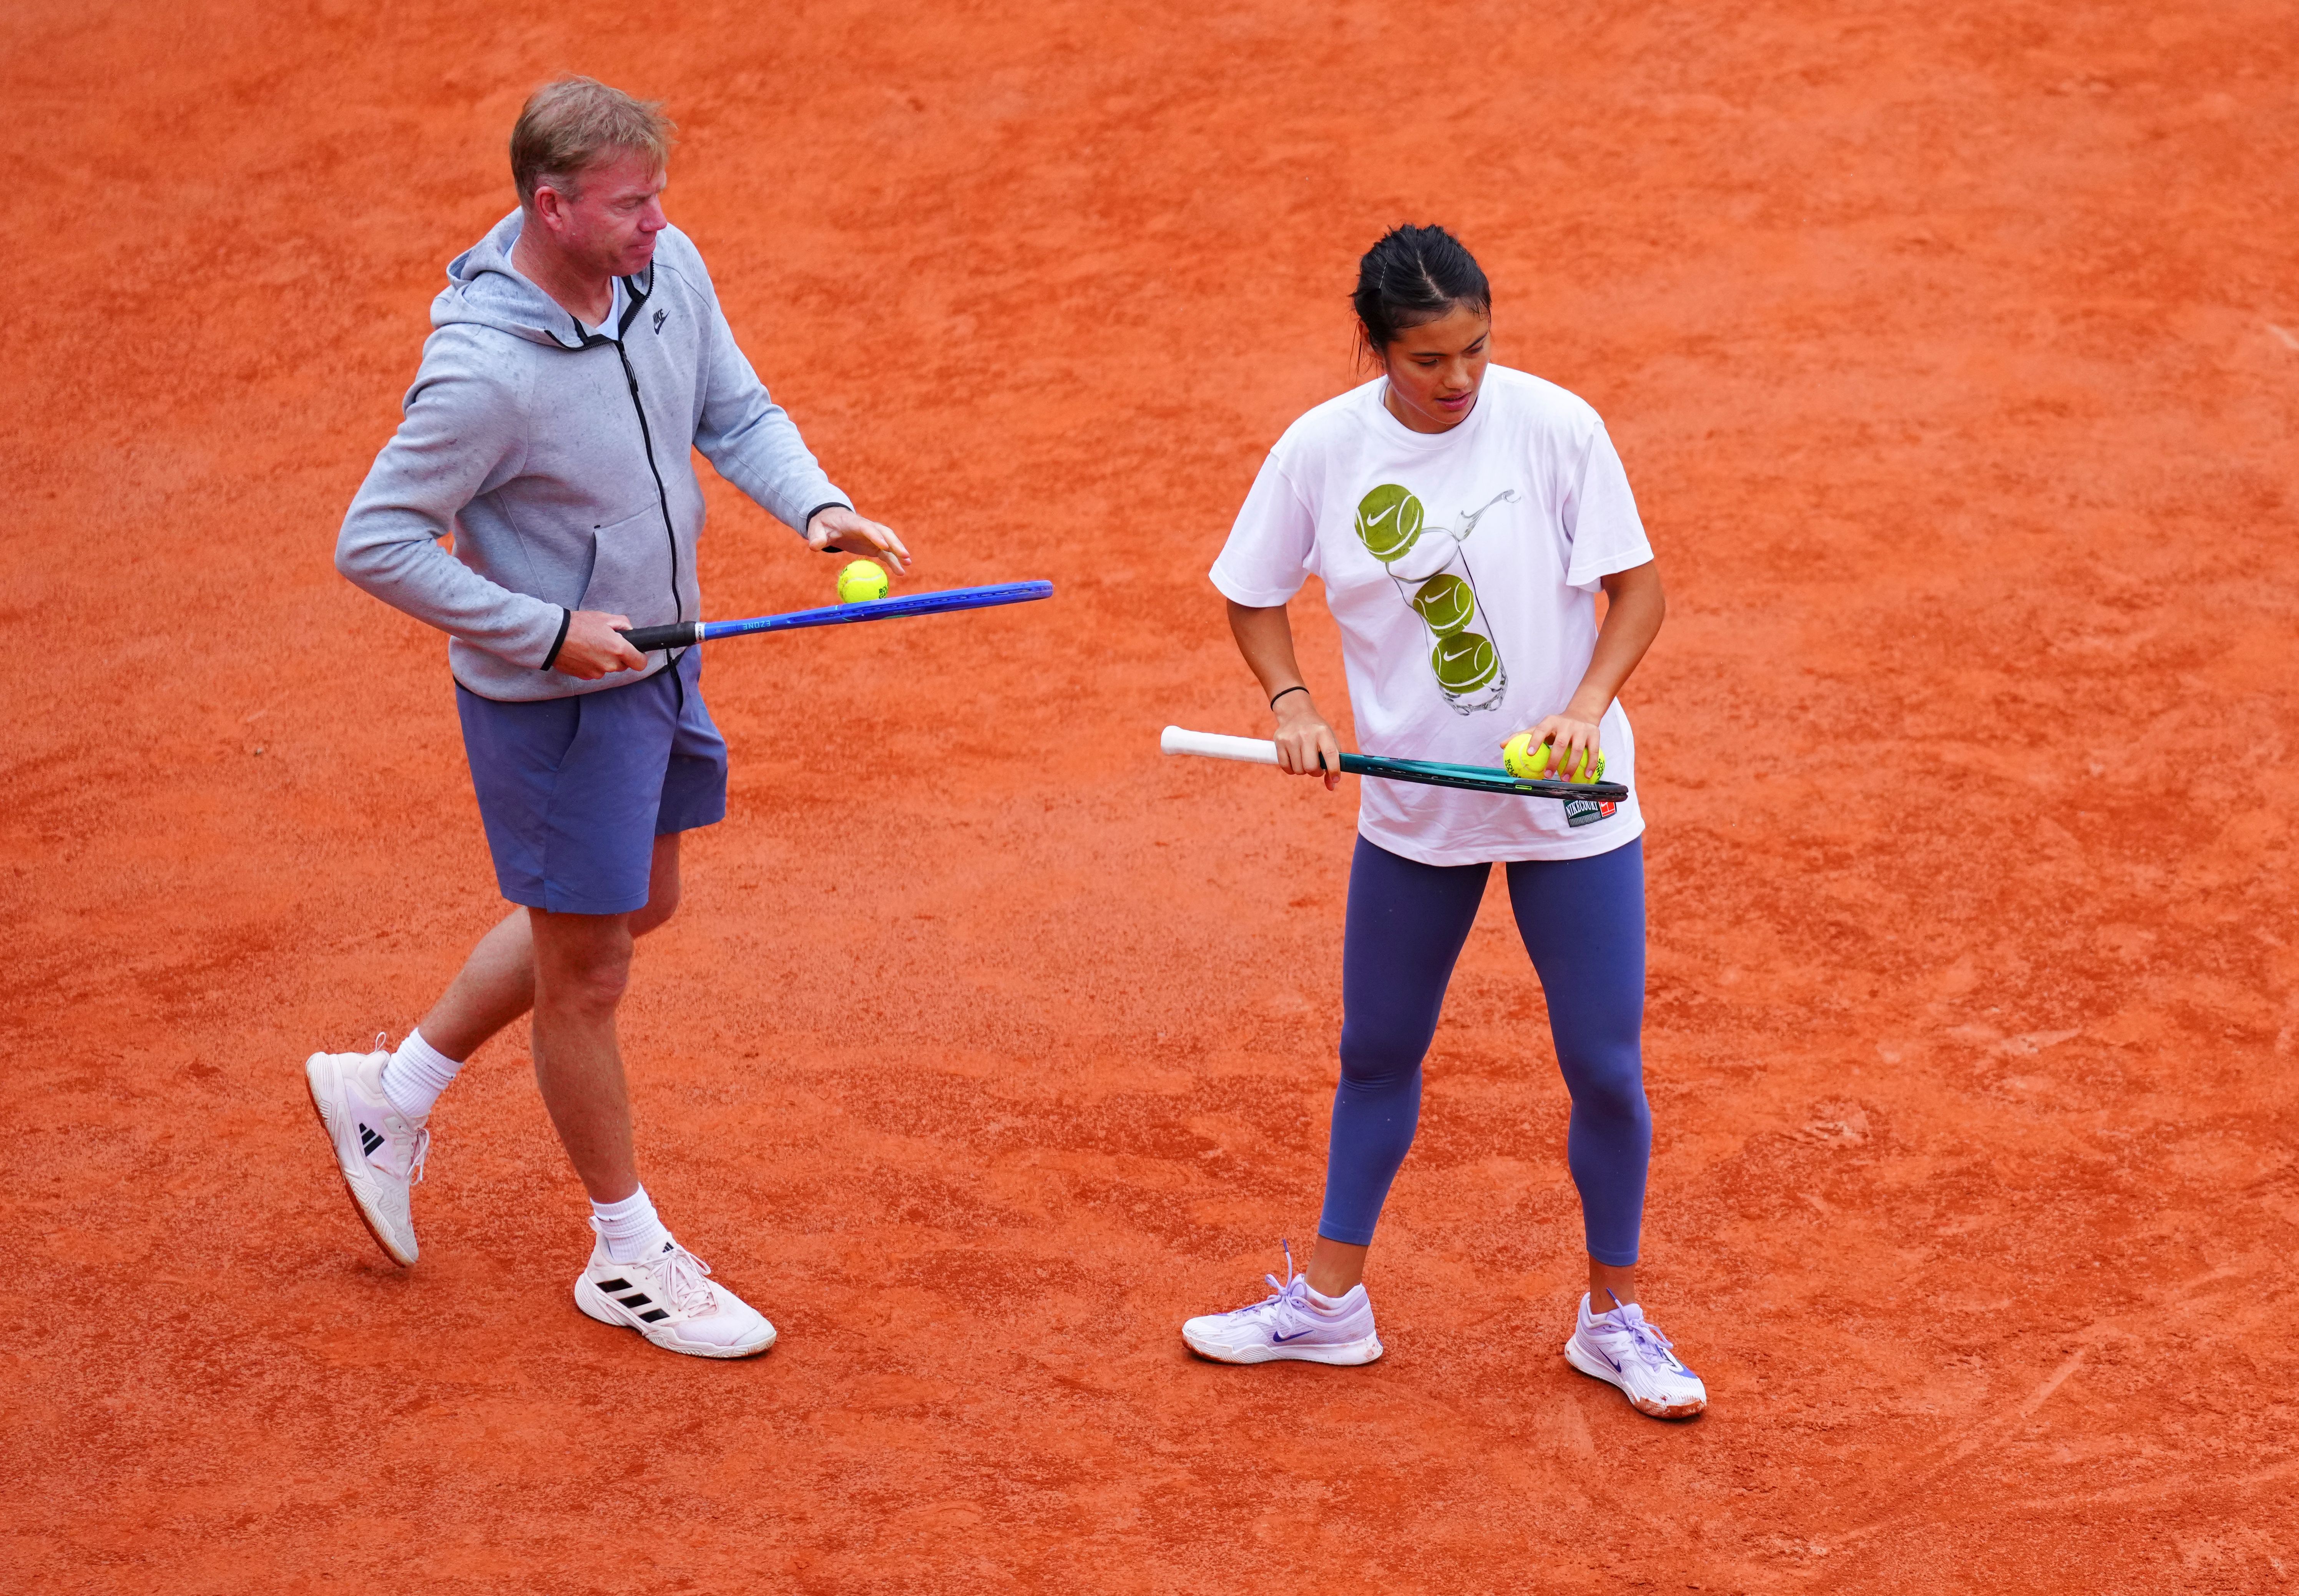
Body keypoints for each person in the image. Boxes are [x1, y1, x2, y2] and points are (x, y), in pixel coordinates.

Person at [306, 76, 908, 1360]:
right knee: (590, 973)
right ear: (553, 205)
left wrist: (820, 509)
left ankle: (389, 1091)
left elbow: (731, 409)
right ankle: (626, 1255)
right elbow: (375, 541)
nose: (659, 222)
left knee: (636, 901)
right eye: (633, 204)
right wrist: (540, 628)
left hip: (663, 668)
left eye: (659, 198)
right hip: (559, 706)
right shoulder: (481, 376)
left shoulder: (663, 268)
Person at [1179, 225, 1704, 1418]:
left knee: (1605, 1069)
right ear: (1376, 348)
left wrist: (1585, 706)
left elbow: (1640, 590)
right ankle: (1329, 1305)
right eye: (1428, 360)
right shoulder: (1322, 451)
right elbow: (1250, 594)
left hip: (1573, 804)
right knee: (1377, 1055)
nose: (1459, 379)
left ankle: (1613, 1316)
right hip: (1416, 810)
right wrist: (1293, 700)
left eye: (1475, 348)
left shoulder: (1557, 425)